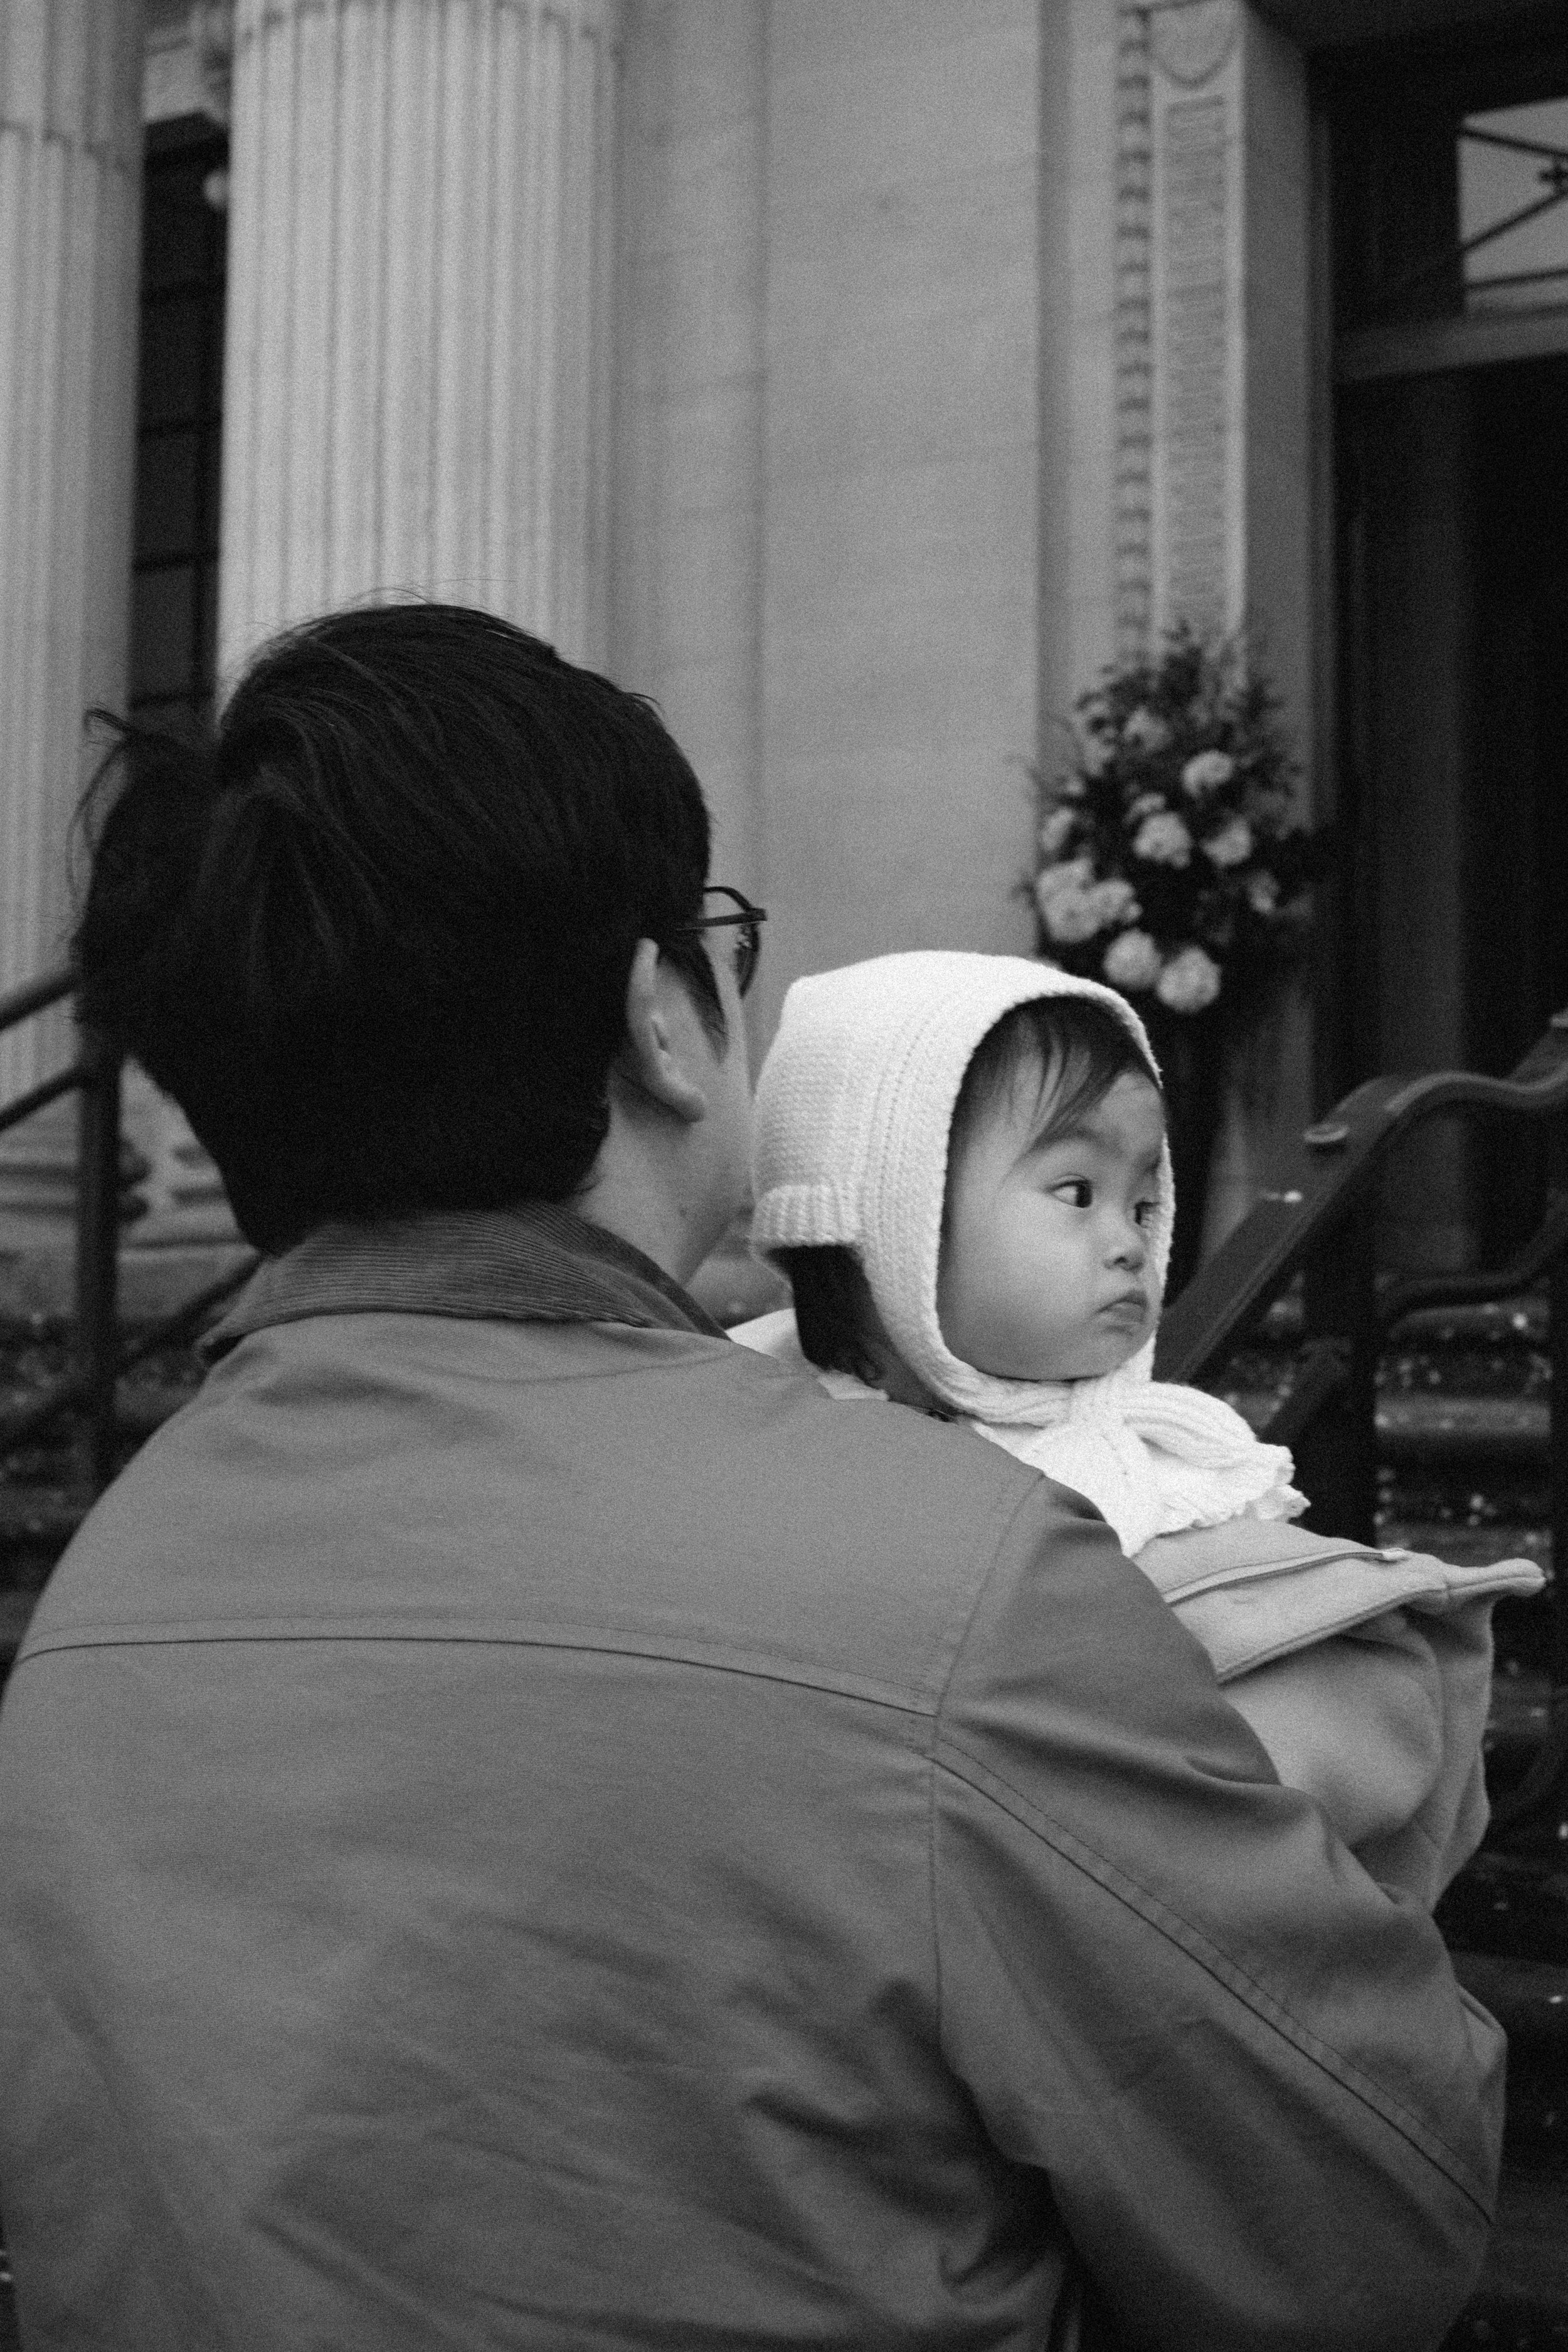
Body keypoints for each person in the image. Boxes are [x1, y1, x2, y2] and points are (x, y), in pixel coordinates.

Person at [0, 605, 1503, 2351]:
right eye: (720, 940)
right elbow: (1373, 2210)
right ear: (658, 1015)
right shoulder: (948, 1586)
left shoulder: (86, 1625)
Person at [736, 948, 1542, 1906]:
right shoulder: (744, 1416)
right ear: (890, 1204)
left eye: (1145, 1202)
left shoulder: (1168, 1471)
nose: (1128, 1241)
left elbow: (1323, 1764)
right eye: (1076, 1193)